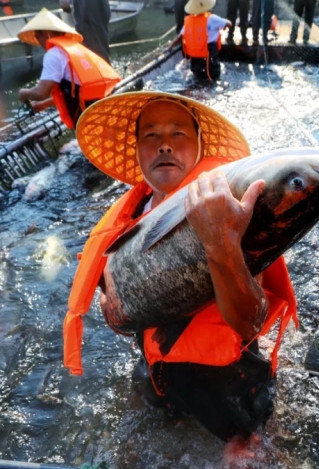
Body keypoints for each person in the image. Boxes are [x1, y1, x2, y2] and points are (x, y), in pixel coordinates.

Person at [63, 91, 298, 442]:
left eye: (178, 134)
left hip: (229, 376)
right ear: (138, 150)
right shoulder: (128, 220)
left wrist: (223, 244)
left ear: (200, 146)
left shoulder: (233, 209)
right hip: (160, 366)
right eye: (151, 135)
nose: (165, 145)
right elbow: (119, 310)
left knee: (250, 458)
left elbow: (249, 323)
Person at [17, 8, 120, 130]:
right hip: (102, 110)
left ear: (46, 33)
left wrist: (23, 93)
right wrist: (44, 104)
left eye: (38, 36)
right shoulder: (75, 49)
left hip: (88, 121)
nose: (38, 41)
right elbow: (77, 91)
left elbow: (41, 93)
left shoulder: (53, 54)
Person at [168, 0, 232, 82]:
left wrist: (170, 46)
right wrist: (226, 23)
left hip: (195, 58)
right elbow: (229, 24)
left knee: (197, 77)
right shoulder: (212, 18)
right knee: (214, 78)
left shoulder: (188, 21)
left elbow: (179, 37)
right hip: (209, 55)